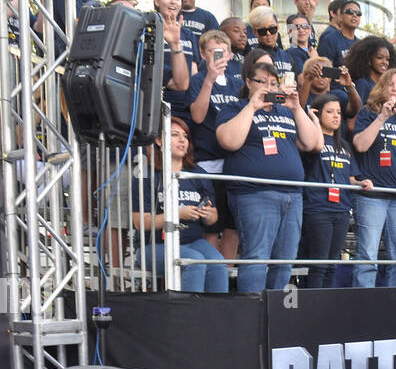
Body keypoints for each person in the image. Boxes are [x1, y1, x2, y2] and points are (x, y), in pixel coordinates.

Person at [216, 59, 322, 292]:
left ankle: (274, 315)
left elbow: (313, 143)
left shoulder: (285, 109)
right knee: (257, 258)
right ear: (248, 82)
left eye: (273, 83)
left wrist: (295, 107)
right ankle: (252, 314)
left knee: (284, 262)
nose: (268, 87)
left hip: (292, 195)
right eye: (262, 81)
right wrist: (252, 107)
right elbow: (229, 141)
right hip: (254, 193)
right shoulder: (235, 108)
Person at [133, 118, 229, 293]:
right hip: (153, 247)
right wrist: (176, 214)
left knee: (218, 264)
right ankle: (189, 318)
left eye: (185, 136)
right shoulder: (147, 174)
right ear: (159, 141)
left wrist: (207, 215)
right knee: (193, 261)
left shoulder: (197, 173)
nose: (182, 140)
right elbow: (140, 222)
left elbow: (214, 216)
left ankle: (216, 317)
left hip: (194, 242)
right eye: (175, 135)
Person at [350, 69, 396, 287]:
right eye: (391, 84)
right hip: (373, 194)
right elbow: (360, 145)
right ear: (382, 87)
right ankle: (364, 302)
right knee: (368, 254)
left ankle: (395, 303)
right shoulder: (369, 113)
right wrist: (382, 117)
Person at [301, 93, 372, 288]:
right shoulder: (312, 142)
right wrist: (312, 121)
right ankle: (313, 307)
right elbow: (312, 149)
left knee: (332, 265)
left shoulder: (345, 145)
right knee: (319, 264)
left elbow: (350, 177)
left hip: (341, 209)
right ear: (318, 113)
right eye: (330, 112)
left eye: (339, 112)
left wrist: (361, 182)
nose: (336, 116)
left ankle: (325, 309)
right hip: (318, 208)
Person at [188, 30, 244, 257]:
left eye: (222, 52)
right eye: (213, 52)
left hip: (234, 161)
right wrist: (210, 79)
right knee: (211, 225)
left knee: (232, 226)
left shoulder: (237, 83)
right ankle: (213, 275)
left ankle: (227, 272)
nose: (219, 57)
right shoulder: (198, 80)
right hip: (209, 162)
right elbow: (198, 116)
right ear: (202, 54)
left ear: (230, 54)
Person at [155, 0, 196, 120]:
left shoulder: (188, 34)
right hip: (159, 107)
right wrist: (175, 44)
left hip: (187, 109)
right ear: (157, 1)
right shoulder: (146, 29)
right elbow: (180, 85)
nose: (173, 2)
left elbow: (194, 71)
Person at [345, 36, 396, 103]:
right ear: (369, 60)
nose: (385, 62)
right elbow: (358, 110)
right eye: (379, 57)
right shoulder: (363, 84)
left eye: (387, 59)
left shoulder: (386, 85)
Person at [249, 7, 294, 83]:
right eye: (262, 31)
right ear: (255, 32)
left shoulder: (287, 56)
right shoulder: (253, 57)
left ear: (278, 27)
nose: (268, 34)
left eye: (272, 29)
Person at [318, 0, 360, 69]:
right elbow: (325, 72)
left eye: (358, 13)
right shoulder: (329, 39)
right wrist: (342, 76)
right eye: (350, 12)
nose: (355, 15)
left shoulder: (360, 44)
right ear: (340, 16)